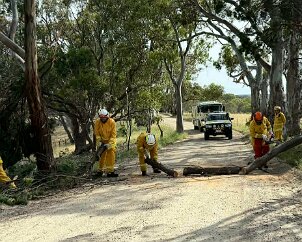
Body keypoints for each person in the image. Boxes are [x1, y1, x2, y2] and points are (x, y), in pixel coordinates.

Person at [94, 108, 118, 177]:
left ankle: (110, 171)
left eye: (104, 117)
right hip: (102, 142)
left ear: (107, 116)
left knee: (111, 154)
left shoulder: (112, 122)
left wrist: (110, 143)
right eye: (101, 118)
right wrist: (99, 141)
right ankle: (100, 170)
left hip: (111, 141)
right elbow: (97, 133)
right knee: (101, 155)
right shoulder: (97, 122)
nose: (103, 119)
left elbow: (113, 135)